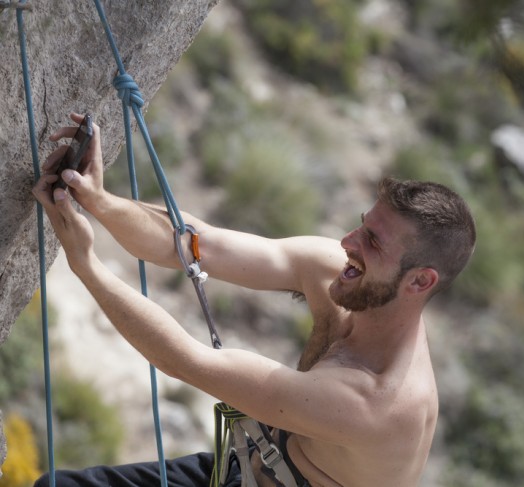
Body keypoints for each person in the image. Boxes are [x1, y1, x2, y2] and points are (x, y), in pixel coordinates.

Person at [32, 113, 476, 487]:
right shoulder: (342, 273)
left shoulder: (376, 403)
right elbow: (196, 244)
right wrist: (100, 201)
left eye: (373, 241)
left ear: (419, 282)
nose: (347, 242)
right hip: (244, 468)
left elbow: (186, 361)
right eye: (362, 225)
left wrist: (86, 264)